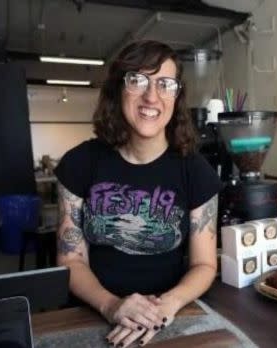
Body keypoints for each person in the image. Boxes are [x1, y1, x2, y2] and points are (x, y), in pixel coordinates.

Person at [53, 40, 221, 347]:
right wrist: (111, 305)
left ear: (176, 96)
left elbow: (205, 265)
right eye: (138, 80)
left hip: (168, 317)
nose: (151, 96)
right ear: (119, 89)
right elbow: (71, 260)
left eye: (165, 84)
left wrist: (166, 305)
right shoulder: (79, 164)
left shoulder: (196, 171)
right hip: (90, 313)